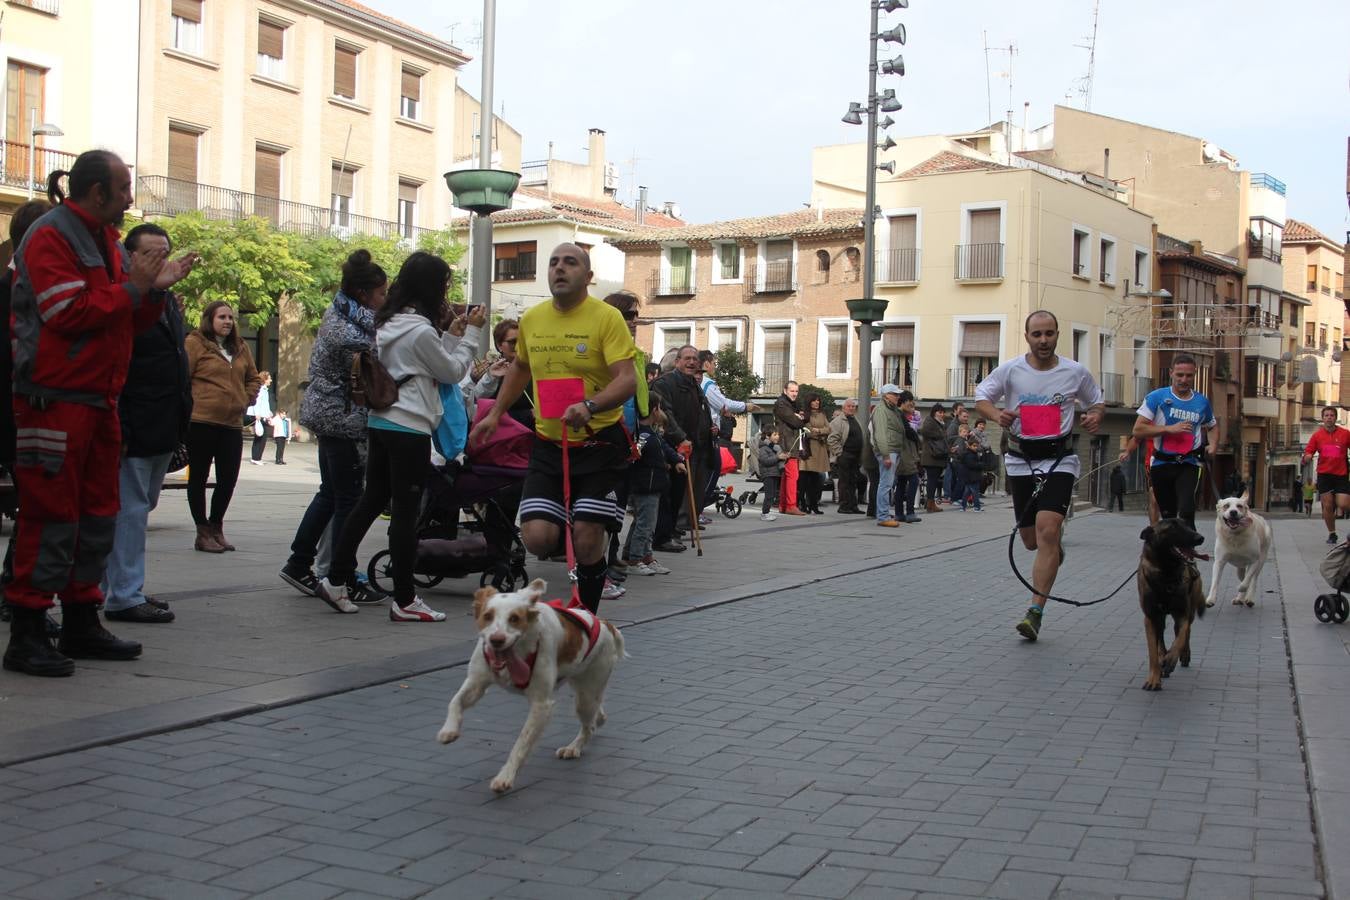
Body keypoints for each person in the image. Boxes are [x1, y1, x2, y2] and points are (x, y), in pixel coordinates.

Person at [4, 150, 196, 677]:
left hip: (95, 400)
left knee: (96, 514)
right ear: (96, 193)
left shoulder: (105, 243)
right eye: (124, 188)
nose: (131, 198)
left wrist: (153, 295)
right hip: (55, 400)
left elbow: (119, 320)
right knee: (51, 518)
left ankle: (82, 619)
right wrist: (134, 288)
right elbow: (67, 313)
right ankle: (27, 631)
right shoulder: (50, 237)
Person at [468, 243, 637, 614]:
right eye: (554, 263)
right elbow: (520, 368)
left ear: (588, 277)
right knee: (538, 539)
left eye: (570, 263)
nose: (559, 269)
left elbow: (627, 380)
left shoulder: (606, 318)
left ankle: (585, 616)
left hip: (599, 445)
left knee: (588, 538)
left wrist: (590, 405)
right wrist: (495, 413)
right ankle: (575, 523)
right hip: (549, 444)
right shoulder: (533, 319)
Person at [318, 252, 482, 621]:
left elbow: (428, 364)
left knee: (369, 502)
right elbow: (452, 372)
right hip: (409, 425)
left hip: (381, 421)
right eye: (444, 284)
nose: (446, 292)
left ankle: (335, 579)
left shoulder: (391, 323)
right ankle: (405, 599)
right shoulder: (420, 330)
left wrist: (450, 337)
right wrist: (471, 333)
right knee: (406, 515)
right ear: (430, 286)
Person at [975, 310, 1104, 642]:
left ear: (1057, 334)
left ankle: (1035, 612)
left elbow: (1097, 402)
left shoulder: (1074, 372)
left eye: (1049, 334)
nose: (1043, 340)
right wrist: (996, 414)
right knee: (1032, 541)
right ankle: (1054, 551)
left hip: (1060, 459)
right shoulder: (1012, 370)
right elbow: (981, 398)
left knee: (1048, 530)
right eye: (1037, 334)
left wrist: (1094, 416)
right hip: (1020, 461)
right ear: (1027, 337)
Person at [279, 249, 387, 602]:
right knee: (348, 499)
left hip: (331, 415)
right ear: (363, 294)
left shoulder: (343, 316)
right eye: (381, 294)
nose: (384, 300)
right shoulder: (352, 332)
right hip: (340, 417)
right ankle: (338, 575)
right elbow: (382, 356)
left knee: (331, 493)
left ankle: (299, 563)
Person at [101, 223, 193, 625]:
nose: (161, 259)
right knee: (131, 511)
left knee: (141, 506)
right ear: (131, 257)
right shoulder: (125, 296)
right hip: (135, 422)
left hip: (162, 422)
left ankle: (121, 587)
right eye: (151, 253)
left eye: (165, 251)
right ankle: (122, 595)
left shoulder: (165, 299)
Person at [0, 199, 53, 626]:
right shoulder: (14, 291)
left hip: (26, 418)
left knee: (34, 509)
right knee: (34, 509)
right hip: (16, 416)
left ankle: (12, 590)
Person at [185, 301, 262, 553]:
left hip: (231, 423)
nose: (228, 321)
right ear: (210, 319)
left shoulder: (240, 347)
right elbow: (182, 377)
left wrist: (246, 397)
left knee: (228, 478)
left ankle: (216, 526)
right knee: (198, 476)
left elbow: (253, 377)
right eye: (222, 317)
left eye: (230, 317)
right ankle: (202, 531)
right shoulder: (195, 343)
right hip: (201, 421)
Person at [1132, 353, 1217, 532]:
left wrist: (1213, 445)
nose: (1184, 379)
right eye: (1179, 375)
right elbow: (1138, 430)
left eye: (1188, 375)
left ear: (1194, 375)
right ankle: (1170, 553)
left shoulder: (1202, 402)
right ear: (1171, 373)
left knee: (1186, 510)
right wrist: (1169, 429)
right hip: (1161, 463)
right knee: (1168, 514)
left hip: (1189, 463)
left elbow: (1212, 426)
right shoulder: (1157, 397)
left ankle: (1189, 553)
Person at [650, 345, 715, 548]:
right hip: (668, 446)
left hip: (690, 446)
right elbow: (666, 415)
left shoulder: (694, 385)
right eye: (687, 358)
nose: (692, 362)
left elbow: (701, 412)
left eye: (695, 359)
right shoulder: (664, 383)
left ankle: (670, 531)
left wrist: (706, 432)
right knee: (666, 493)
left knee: (679, 491)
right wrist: (680, 438)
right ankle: (661, 536)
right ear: (677, 361)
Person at [622, 399, 681, 575]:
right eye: (660, 407)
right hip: (646, 485)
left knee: (643, 522)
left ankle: (643, 555)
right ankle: (635, 559)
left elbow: (663, 447)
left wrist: (676, 460)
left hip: (652, 484)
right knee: (646, 524)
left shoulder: (651, 432)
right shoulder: (644, 435)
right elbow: (634, 455)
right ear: (654, 409)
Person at [1302, 406, 1350, 544]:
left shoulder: (1345, 434)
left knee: (1343, 503)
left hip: (1341, 474)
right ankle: (1332, 533)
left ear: (1335, 418)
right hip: (1324, 475)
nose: (1329, 417)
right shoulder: (1317, 436)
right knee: (1328, 506)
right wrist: (1308, 456)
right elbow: (1308, 451)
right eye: (1326, 415)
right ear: (1322, 418)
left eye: (1332, 415)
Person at [871, 384, 908, 527]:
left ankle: (884, 513)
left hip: (894, 450)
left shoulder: (892, 410)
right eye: (895, 394)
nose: (898, 397)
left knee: (888, 483)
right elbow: (880, 434)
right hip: (889, 451)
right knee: (885, 484)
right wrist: (885, 455)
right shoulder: (881, 410)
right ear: (886, 395)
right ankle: (882, 516)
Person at [827, 398, 867, 514]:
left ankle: (853, 505)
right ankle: (844, 506)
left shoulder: (855, 420)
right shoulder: (838, 421)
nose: (851, 408)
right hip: (844, 455)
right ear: (843, 408)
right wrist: (840, 453)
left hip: (855, 456)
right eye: (849, 406)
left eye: (853, 406)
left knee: (853, 481)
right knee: (844, 482)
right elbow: (832, 439)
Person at [773, 381, 807, 515]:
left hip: (789, 442)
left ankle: (783, 505)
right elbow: (795, 422)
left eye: (796, 391)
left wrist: (799, 416)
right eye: (792, 391)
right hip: (787, 443)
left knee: (787, 476)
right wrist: (799, 418)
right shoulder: (782, 404)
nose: (794, 394)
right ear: (785, 390)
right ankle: (791, 505)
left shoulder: (790, 404)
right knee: (792, 475)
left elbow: (799, 418)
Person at [798, 393, 831, 514]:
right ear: (809, 402)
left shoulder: (822, 414)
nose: (817, 402)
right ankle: (803, 504)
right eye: (814, 400)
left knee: (816, 480)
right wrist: (820, 432)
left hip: (820, 448)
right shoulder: (805, 414)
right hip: (809, 449)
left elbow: (829, 428)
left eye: (818, 400)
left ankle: (813, 504)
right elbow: (808, 431)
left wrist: (820, 431)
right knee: (805, 480)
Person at [894, 391, 923, 523]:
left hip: (905, 452)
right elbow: (910, 433)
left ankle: (899, 513)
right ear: (903, 402)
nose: (912, 404)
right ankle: (909, 512)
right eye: (910, 401)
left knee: (901, 483)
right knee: (913, 480)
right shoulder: (899, 415)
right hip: (905, 452)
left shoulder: (904, 415)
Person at [920, 403, 948, 512]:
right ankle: (930, 504)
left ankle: (931, 503)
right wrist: (940, 434)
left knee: (934, 480)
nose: (942, 414)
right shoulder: (930, 421)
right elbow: (925, 431)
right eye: (939, 412)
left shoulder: (940, 423)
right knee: (932, 480)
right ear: (934, 412)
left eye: (942, 412)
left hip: (937, 456)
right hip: (931, 456)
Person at [756, 426, 786, 521]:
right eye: (775, 434)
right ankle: (764, 513)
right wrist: (778, 458)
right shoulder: (763, 448)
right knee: (769, 495)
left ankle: (767, 512)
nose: (777, 437)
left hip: (774, 474)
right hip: (768, 474)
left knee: (772, 495)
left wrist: (784, 458)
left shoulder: (775, 448)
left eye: (778, 434)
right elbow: (765, 461)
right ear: (768, 436)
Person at [248, 371, 274, 465]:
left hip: (263, 415)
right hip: (259, 416)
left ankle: (257, 457)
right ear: (265, 379)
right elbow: (257, 402)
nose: (271, 380)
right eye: (269, 378)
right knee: (260, 437)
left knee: (261, 437)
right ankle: (256, 458)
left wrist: (269, 413)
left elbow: (264, 405)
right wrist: (257, 414)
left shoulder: (265, 390)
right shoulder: (260, 389)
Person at [956, 437, 985, 511]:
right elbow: (972, 465)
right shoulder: (969, 455)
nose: (976, 447)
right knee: (975, 492)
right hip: (972, 477)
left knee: (967, 492)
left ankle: (963, 506)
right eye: (974, 446)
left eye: (976, 446)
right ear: (969, 445)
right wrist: (980, 465)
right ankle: (977, 507)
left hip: (970, 477)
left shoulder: (972, 453)